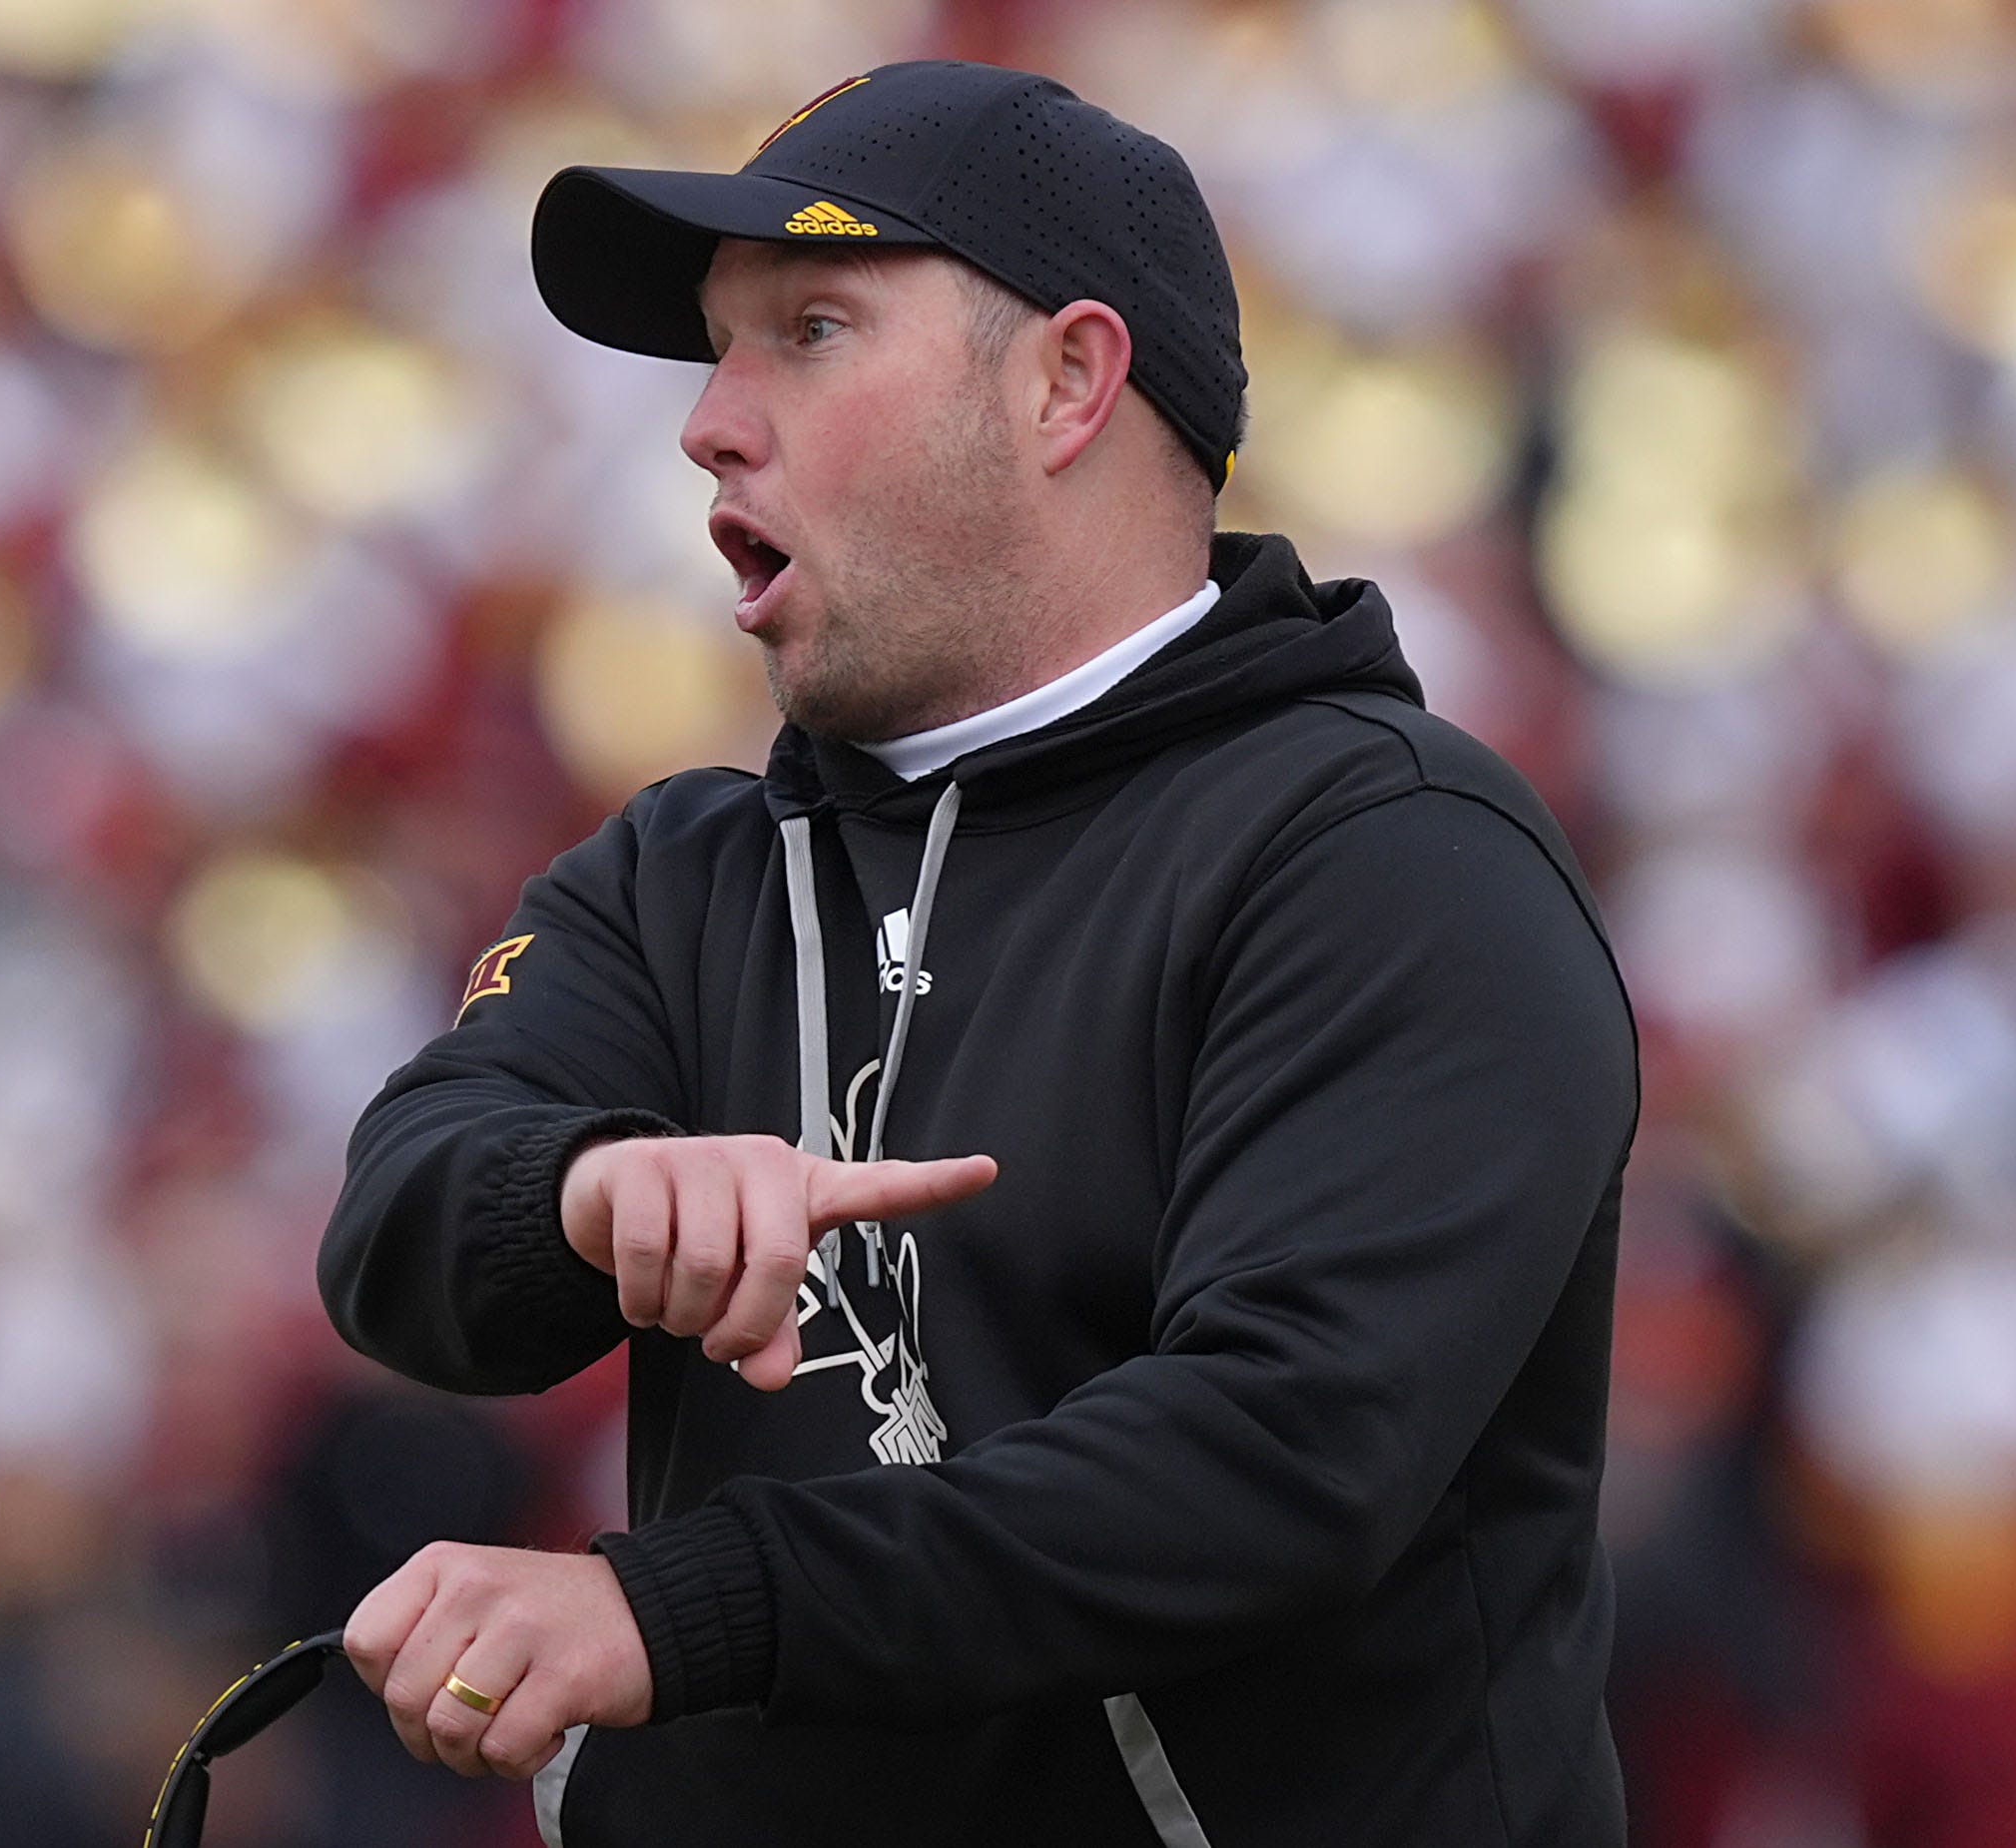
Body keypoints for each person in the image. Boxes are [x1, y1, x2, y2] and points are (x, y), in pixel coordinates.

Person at [319, 59, 1639, 1847]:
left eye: (811, 328)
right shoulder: (686, 864)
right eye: (717, 348)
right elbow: (403, 1217)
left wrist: (672, 1608)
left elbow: (1273, 1460)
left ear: (1069, 380)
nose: (709, 420)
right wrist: (588, 1191)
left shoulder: (1392, 855)